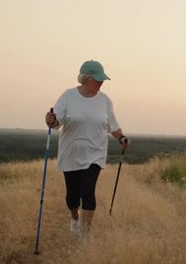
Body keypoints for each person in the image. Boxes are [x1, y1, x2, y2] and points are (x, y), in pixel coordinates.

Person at [45, 59, 130, 239]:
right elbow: (55, 122)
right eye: (97, 79)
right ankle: (74, 216)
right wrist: (51, 120)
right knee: (72, 197)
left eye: (102, 80)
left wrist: (121, 137)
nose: (101, 83)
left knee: (88, 190)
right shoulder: (68, 96)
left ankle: (85, 235)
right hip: (71, 154)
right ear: (86, 79)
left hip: (95, 153)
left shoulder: (105, 100)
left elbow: (112, 125)